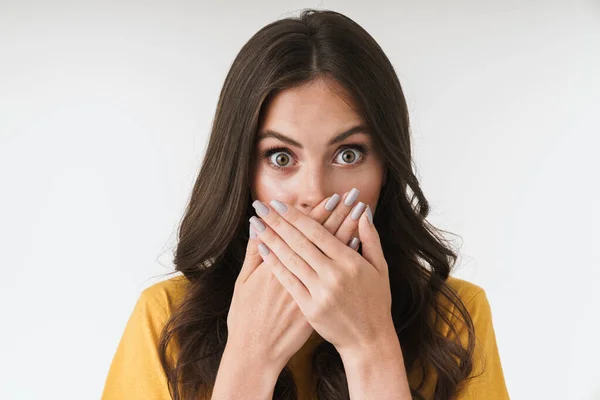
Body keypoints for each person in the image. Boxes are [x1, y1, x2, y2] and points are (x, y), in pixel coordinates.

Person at [101, 8, 509, 400]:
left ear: (387, 166)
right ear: (242, 171)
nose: (315, 193)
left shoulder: (456, 318)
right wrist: (249, 360)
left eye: (349, 154)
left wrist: (370, 345)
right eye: (281, 157)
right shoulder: (166, 318)